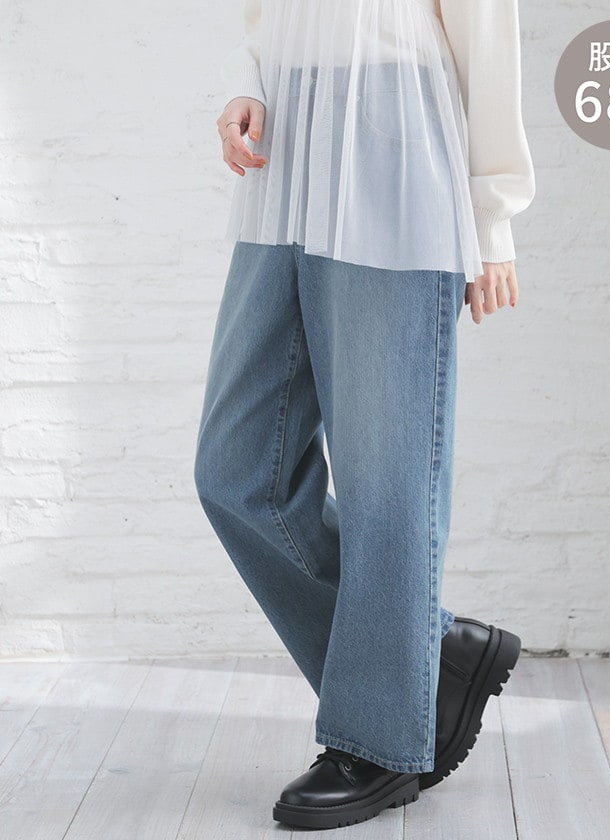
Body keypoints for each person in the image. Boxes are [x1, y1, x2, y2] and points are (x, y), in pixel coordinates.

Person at [194, 0, 536, 829]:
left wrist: (492, 218)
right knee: (237, 473)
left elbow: (487, 32)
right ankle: (431, 651)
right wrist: (247, 83)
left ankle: (379, 741)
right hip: (287, 148)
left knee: (386, 480)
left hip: (394, 138)